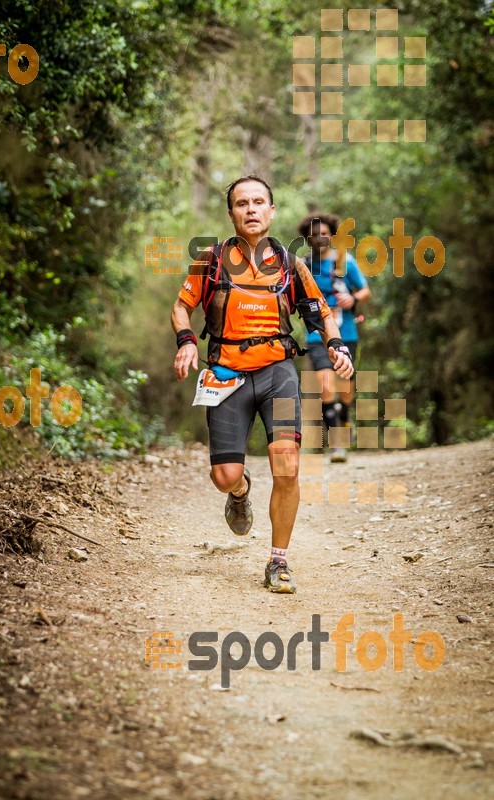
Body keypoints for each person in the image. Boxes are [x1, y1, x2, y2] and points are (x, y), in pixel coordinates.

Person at [171, 177, 354, 594]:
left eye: (259, 202)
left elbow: (322, 314)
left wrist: (337, 345)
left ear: (271, 211)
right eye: (241, 203)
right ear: (231, 213)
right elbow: (181, 307)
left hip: (278, 373)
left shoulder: (292, 265)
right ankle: (239, 492)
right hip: (225, 374)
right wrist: (185, 342)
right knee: (224, 474)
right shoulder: (212, 260)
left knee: (287, 463)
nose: (251, 209)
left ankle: (279, 561)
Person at [298, 213, 371, 463]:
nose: (320, 238)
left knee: (345, 387)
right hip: (316, 334)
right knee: (326, 385)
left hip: (347, 331)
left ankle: (345, 413)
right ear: (308, 238)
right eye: (315, 234)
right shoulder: (304, 265)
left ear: (332, 235)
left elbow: (364, 290)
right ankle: (337, 445)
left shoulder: (344, 262)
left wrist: (353, 298)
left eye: (325, 233)